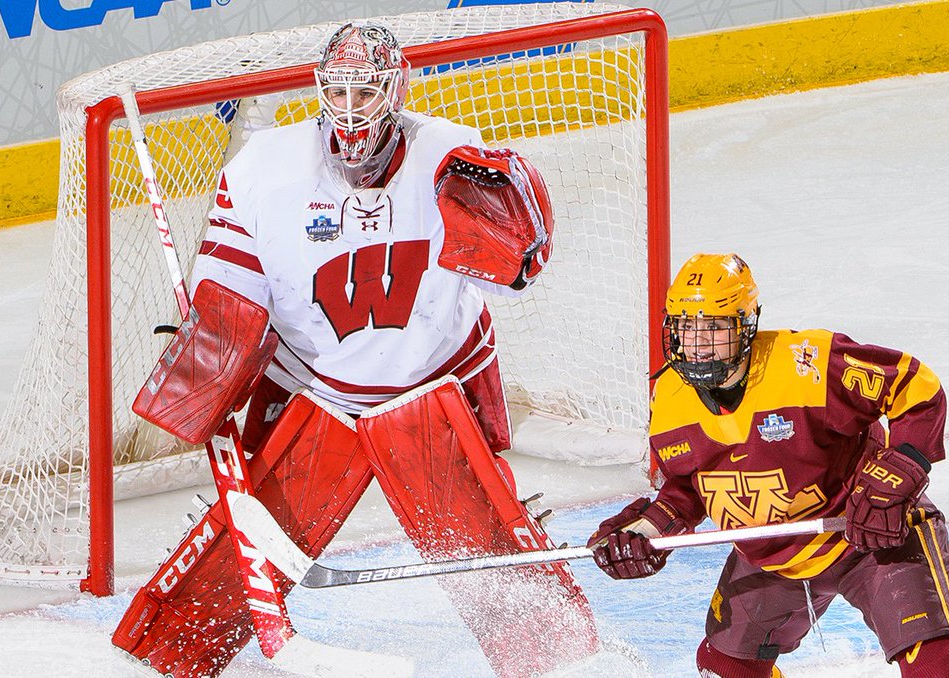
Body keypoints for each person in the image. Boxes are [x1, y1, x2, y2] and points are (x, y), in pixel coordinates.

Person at [112, 21, 598, 677]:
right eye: (336, 92)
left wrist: (516, 229)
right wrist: (207, 358)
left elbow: (511, 278)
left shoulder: (449, 155)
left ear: (396, 89)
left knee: (491, 556)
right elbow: (230, 302)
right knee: (250, 544)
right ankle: (171, 653)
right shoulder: (263, 171)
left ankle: (558, 659)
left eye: (365, 92)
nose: (348, 110)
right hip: (315, 392)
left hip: (431, 390)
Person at [587, 252, 949, 677]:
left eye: (715, 325)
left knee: (938, 665)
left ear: (746, 326)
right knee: (725, 667)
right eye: (686, 327)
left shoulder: (808, 363)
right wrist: (649, 529)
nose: (698, 342)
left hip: (867, 533)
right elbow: (691, 484)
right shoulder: (669, 397)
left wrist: (898, 470)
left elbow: (915, 385)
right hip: (773, 553)